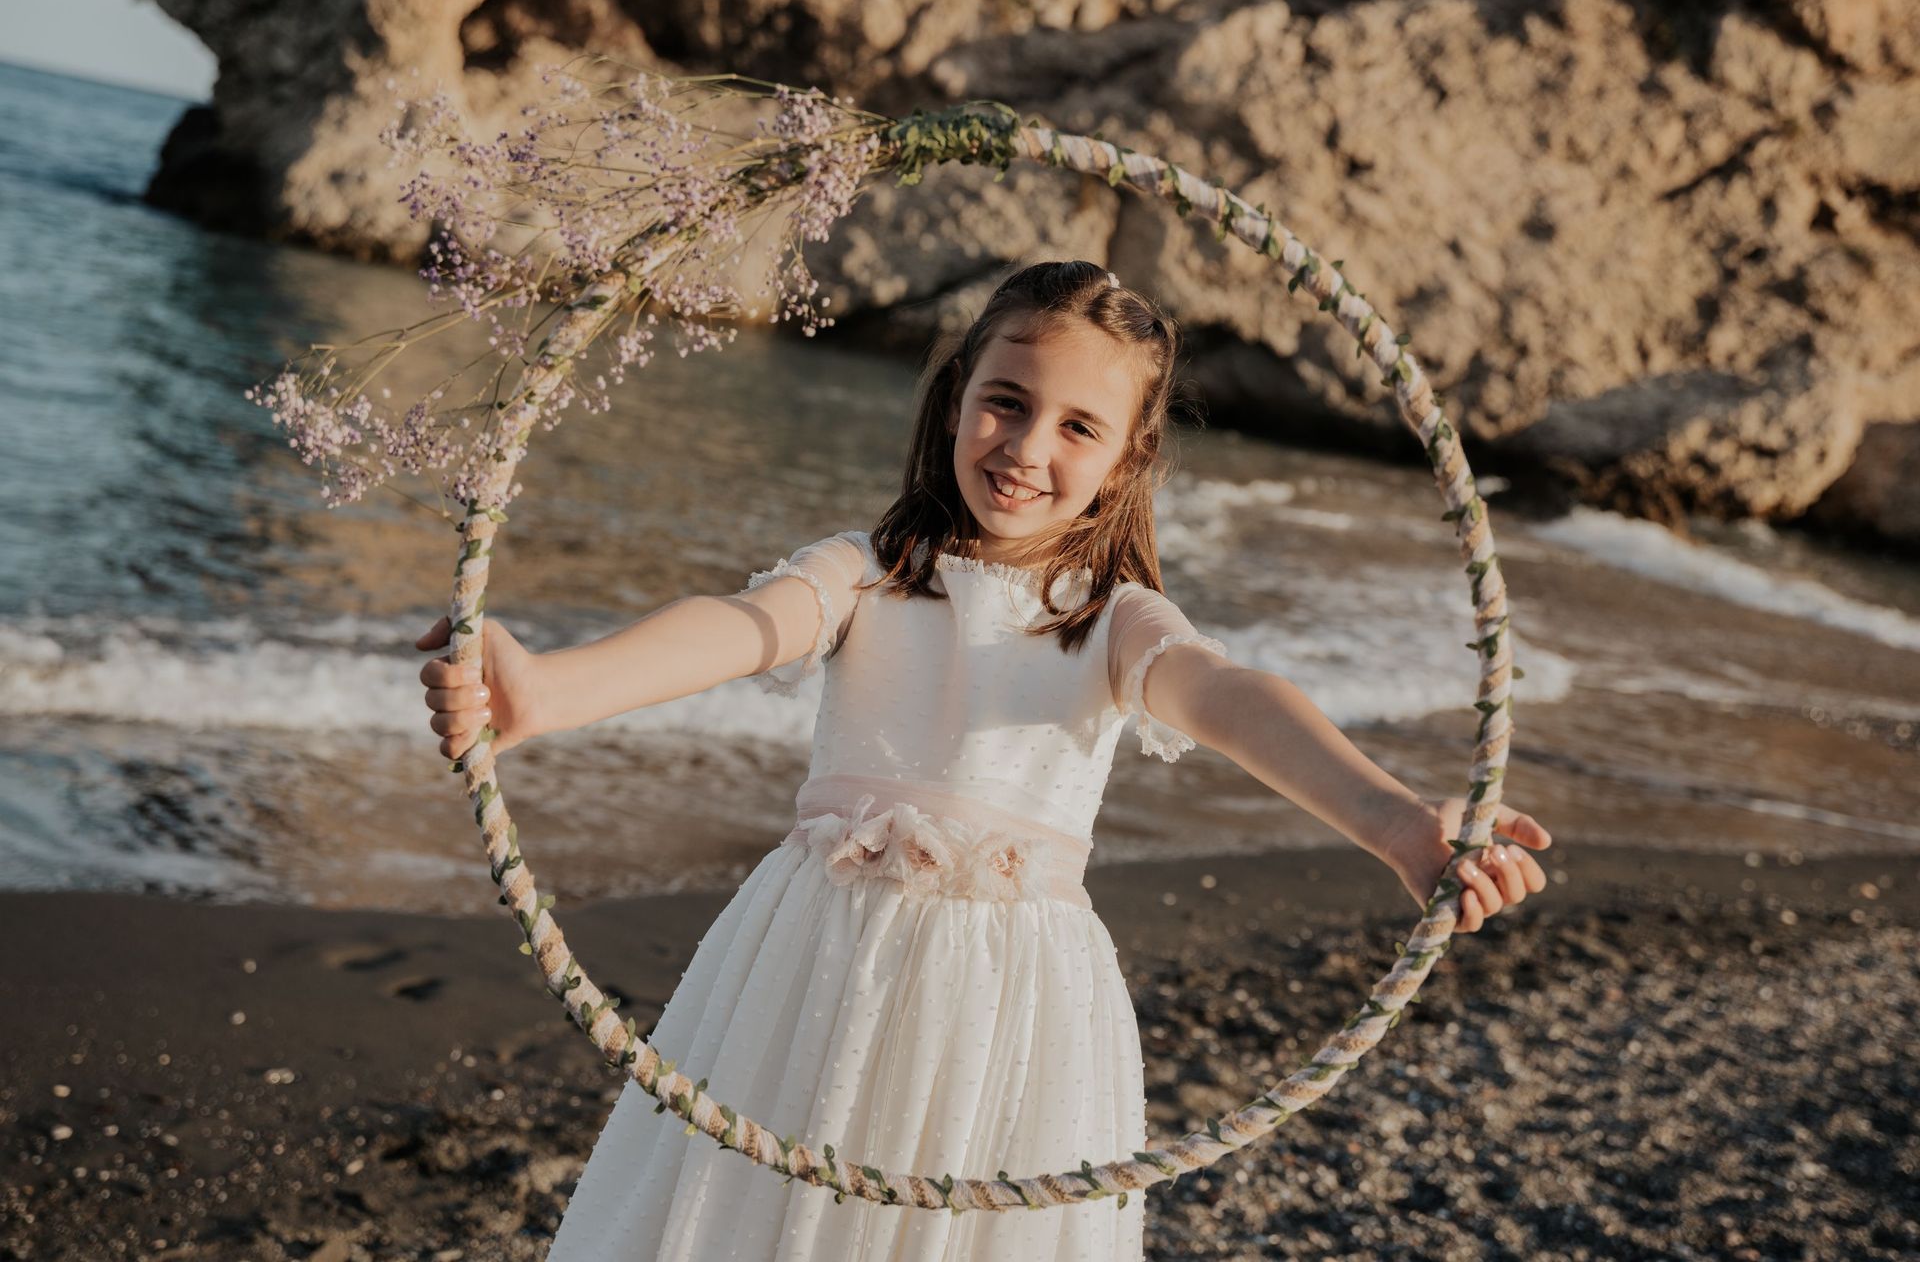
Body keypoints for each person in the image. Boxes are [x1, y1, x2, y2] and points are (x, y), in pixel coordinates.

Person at [413, 259, 1554, 1260]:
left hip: (1013, 1007)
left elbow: (1232, 697)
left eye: (1076, 427)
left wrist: (1398, 820)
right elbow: (741, 624)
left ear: (1126, 458)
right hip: (816, 970)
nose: (1025, 447)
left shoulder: (1114, 622)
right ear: (956, 397)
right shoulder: (866, 573)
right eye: (1004, 402)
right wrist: (553, 689)